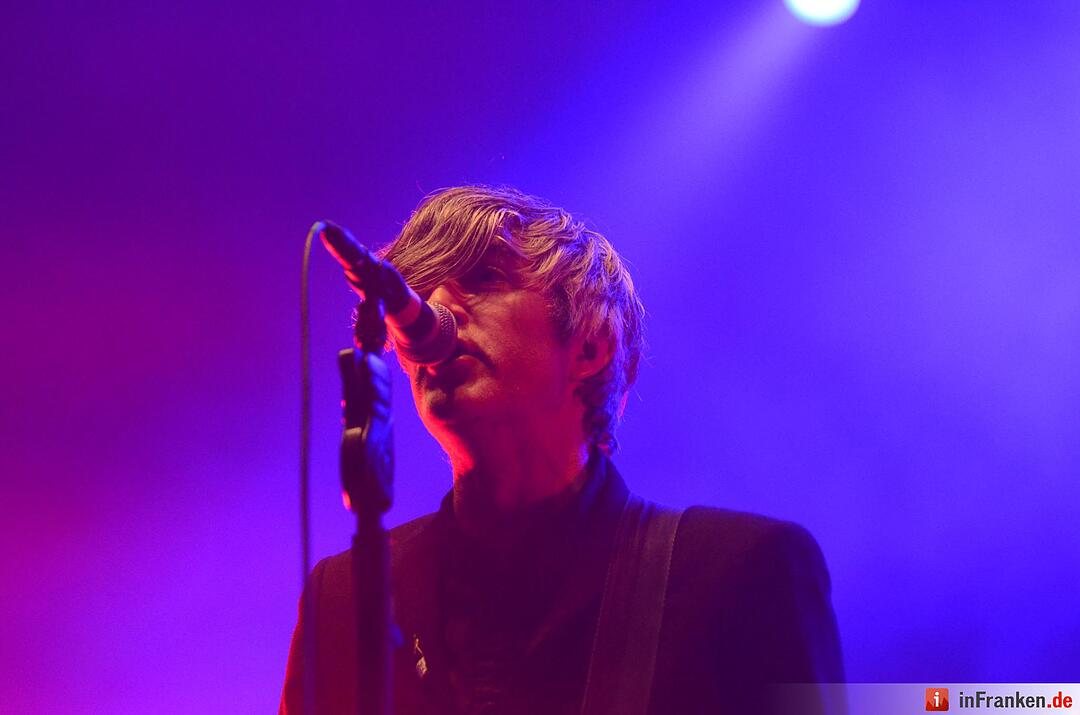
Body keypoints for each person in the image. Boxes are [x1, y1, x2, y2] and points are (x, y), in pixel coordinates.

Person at [280, 186, 844, 714]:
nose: (439, 304)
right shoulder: (344, 598)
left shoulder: (741, 572)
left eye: (484, 277)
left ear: (591, 346)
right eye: (424, 288)